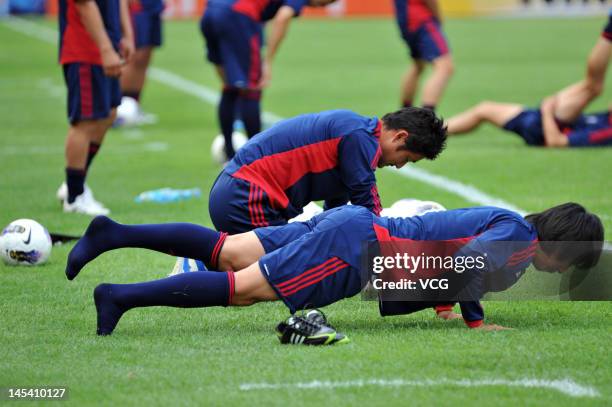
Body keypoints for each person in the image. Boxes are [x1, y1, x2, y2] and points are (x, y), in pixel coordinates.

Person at [64, 202, 603, 336]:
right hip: (360, 245)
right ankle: (120, 296)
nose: (559, 273)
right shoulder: (518, 240)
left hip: (356, 225)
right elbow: (462, 263)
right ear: (561, 246)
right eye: (569, 263)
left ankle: (114, 234)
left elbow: (448, 254)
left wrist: (442, 304)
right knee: (245, 289)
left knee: (230, 252)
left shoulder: (516, 231)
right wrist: (475, 321)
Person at [208, 108, 447, 234]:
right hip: (245, 199)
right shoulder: (359, 139)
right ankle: (203, 261)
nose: (399, 165)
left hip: (237, 195)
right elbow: (369, 211)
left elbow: (335, 216)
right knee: (284, 272)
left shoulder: (356, 136)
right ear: (400, 136)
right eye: (405, 158)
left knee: (305, 258)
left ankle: (214, 255)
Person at [199, 0, 337, 160]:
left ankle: (229, 153)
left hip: (211, 12)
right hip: (238, 14)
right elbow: (283, 17)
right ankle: (255, 158)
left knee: (230, 85)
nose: (324, 6)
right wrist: (268, 61)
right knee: (252, 88)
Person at [446, 15, 611, 148]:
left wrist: (547, 111)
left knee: (593, 87)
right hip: (544, 119)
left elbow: (555, 142)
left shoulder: (607, 133)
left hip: (545, 127)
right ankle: (436, 132)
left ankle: (609, 30)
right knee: (483, 109)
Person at [57, 0, 134, 215]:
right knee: (85, 121)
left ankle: (75, 183)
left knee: (108, 114)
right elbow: (84, 4)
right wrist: (106, 48)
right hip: (85, 50)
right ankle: (74, 196)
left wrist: (126, 35)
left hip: (106, 46)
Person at [393, 0, 454, 112]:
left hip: (405, 20)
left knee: (418, 65)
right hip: (422, 19)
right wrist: (438, 17)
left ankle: (404, 113)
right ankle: (427, 116)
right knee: (445, 67)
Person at [115, 0, 165, 126]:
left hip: (152, 5)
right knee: (133, 55)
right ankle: (119, 108)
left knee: (144, 56)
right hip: (138, 5)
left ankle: (133, 106)